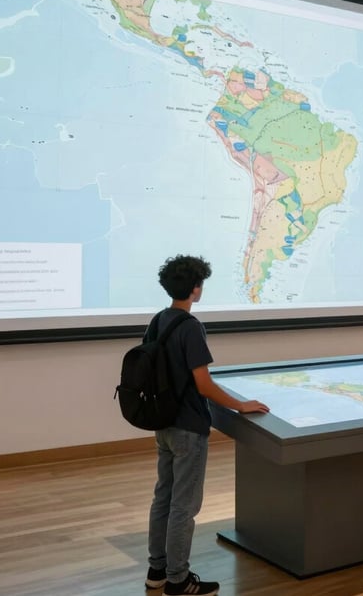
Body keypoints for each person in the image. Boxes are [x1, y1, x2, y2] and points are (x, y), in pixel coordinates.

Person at [143, 254, 269, 595]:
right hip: (188, 426)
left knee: (163, 497)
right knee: (184, 505)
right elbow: (204, 384)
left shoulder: (158, 320)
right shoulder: (190, 327)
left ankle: (157, 570)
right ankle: (178, 580)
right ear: (196, 290)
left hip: (163, 423)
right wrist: (241, 405)